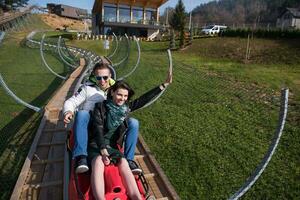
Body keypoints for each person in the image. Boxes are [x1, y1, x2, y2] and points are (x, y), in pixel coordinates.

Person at [89, 74, 172, 199]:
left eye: (125, 96)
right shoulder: (100, 107)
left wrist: (163, 85)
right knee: (98, 162)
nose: (122, 98)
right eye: (119, 94)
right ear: (112, 92)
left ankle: (136, 197)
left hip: (112, 145)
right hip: (97, 143)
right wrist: (102, 149)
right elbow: (98, 129)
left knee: (123, 162)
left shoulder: (125, 109)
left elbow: (143, 100)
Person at [63, 62, 141, 174]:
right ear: (94, 77)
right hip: (91, 126)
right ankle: (81, 156)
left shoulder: (116, 90)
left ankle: (129, 159)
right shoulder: (87, 89)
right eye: (98, 77)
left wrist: (163, 86)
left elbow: (133, 103)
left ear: (110, 77)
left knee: (133, 122)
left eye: (105, 77)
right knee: (82, 114)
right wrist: (68, 111)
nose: (102, 81)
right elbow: (71, 101)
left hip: (110, 125)